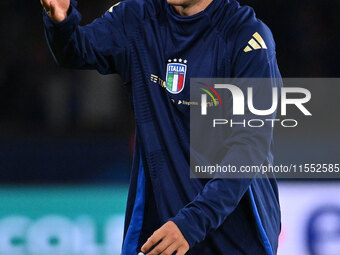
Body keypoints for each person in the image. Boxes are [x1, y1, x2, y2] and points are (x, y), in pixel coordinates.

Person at [40, 0, 281, 254]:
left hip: (233, 238)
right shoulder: (137, 17)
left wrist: (192, 223)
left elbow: (249, 149)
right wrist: (61, 19)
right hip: (162, 233)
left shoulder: (247, 38)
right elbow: (77, 50)